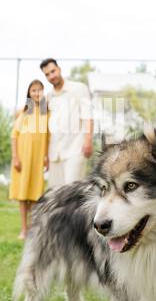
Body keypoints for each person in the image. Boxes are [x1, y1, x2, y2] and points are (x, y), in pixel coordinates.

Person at [40, 58, 93, 187]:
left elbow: (88, 116)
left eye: (53, 71)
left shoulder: (79, 88)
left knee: (72, 192)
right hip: (55, 153)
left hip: (75, 149)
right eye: (47, 74)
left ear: (59, 69)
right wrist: (45, 155)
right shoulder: (48, 97)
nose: (51, 76)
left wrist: (88, 142)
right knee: (56, 194)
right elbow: (43, 125)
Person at [9, 79, 49, 240]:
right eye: (34, 90)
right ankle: (24, 229)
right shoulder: (24, 111)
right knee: (23, 195)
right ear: (29, 93)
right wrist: (15, 157)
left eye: (40, 90)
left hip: (37, 159)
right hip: (23, 158)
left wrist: (46, 157)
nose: (37, 93)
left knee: (34, 195)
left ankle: (33, 229)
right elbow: (14, 135)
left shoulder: (46, 112)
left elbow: (47, 137)